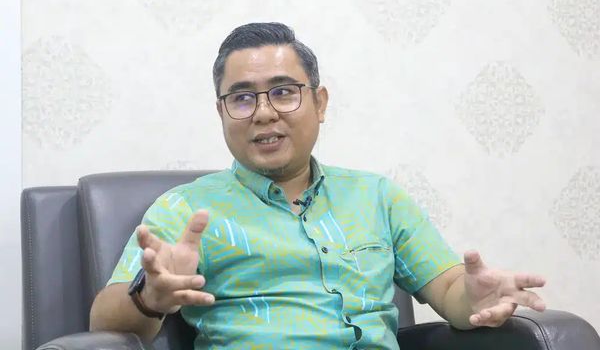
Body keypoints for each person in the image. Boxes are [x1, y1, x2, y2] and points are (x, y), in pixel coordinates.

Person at [89, 22, 546, 349]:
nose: (264, 113)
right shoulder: (186, 210)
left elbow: (449, 292)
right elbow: (104, 324)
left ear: (320, 103)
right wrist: (150, 298)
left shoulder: (377, 197)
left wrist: (474, 297)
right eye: (242, 98)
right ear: (222, 113)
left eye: (283, 92)